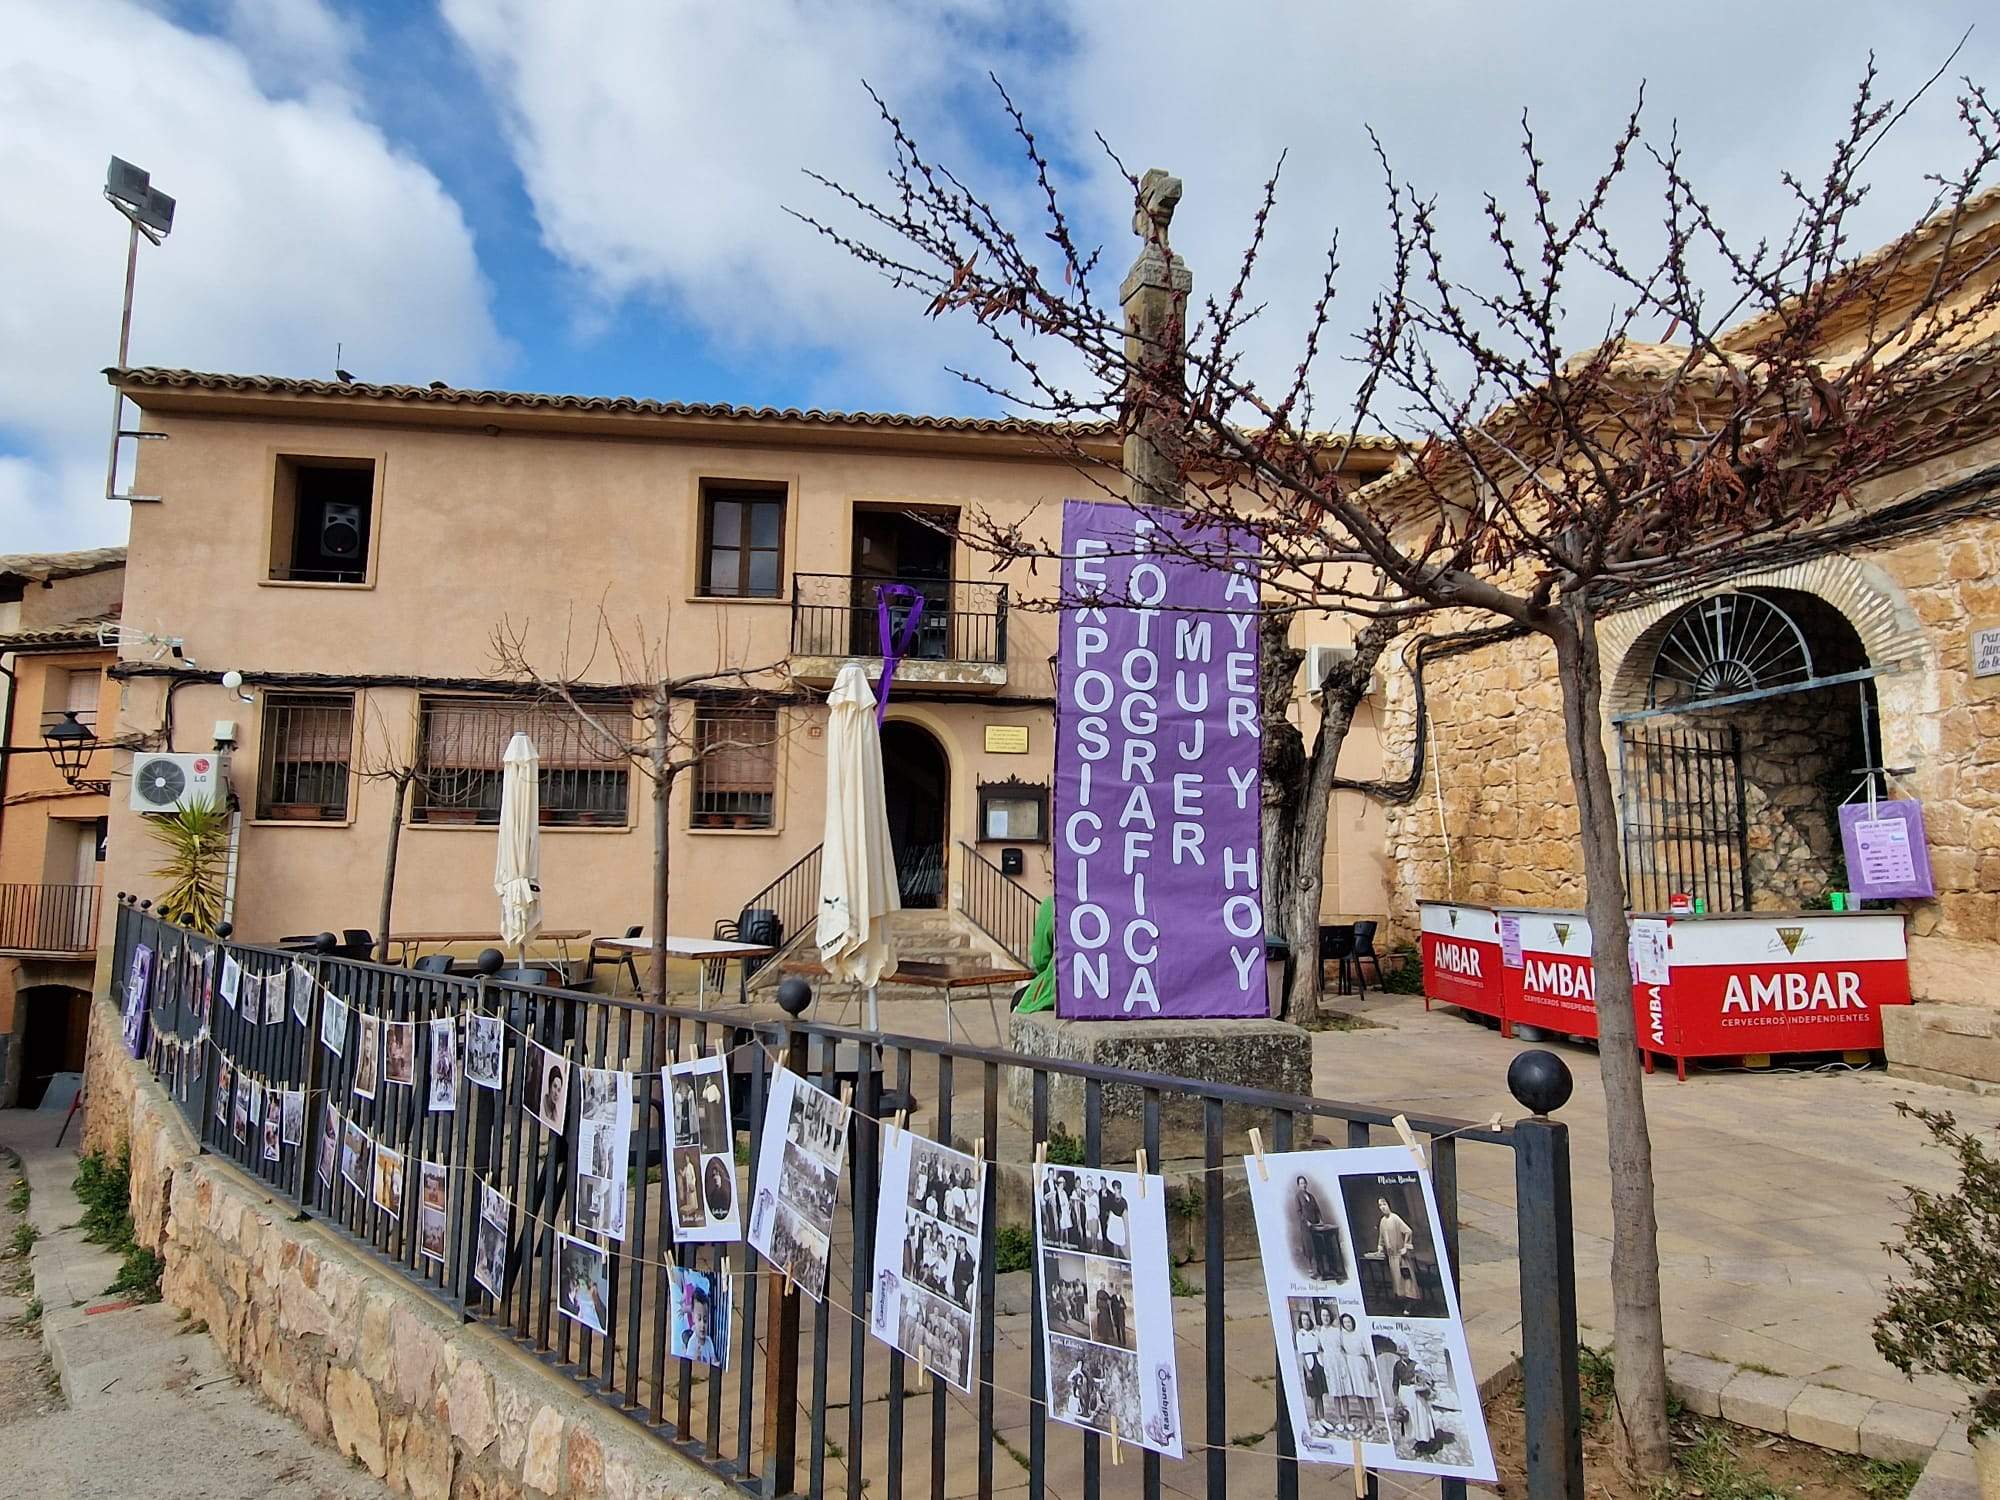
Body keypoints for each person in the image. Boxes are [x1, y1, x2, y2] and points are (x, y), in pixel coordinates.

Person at [1330, 1311, 1379, 1426]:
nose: (1348, 1324)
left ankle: (1373, 1421)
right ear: (1342, 1324)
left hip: (1361, 1363)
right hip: (1350, 1365)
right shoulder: (1342, 1337)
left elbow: (1367, 1354)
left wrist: (1371, 1370)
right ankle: (1366, 1420)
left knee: (1368, 1394)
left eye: (1349, 1321)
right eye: (1345, 1322)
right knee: (1359, 1394)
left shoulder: (1360, 1335)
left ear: (1353, 1322)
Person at [1376, 1196, 1420, 1305]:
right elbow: (1382, 1237)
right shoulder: (1382, 1221)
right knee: (1397, 1282)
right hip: (1392, 1257)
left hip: (1401, 1257)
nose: (1382, 1207)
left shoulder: (1395, 1218)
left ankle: (1410, 1303)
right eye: (1380, 1205)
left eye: (1384, 1204)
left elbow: (1408, 1231)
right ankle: (1402, 1303)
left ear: (1389, 1205)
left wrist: (1406, 1247)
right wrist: (1380, 1249)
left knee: (1407, 1281)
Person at [1296, 1175, 1339, 1281]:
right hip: (1306, 1227)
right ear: (1298, 1185)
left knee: (1318, 1248)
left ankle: (1323, 1271)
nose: (1304, 1185)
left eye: (1304, 1183)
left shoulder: (1311, 1196)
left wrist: (1320, 1220)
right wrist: (1307, 1222)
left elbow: (1317, 1210)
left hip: (1316, 1226)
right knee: (1310, 1249)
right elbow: (1299, 1212)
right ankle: (1313, 1271)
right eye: (1301, 1183)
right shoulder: (1298, 1196)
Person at [1294, 1308, 1329, 1434]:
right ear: (1301, 1322)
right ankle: (1315, 1421)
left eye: (1307, 1320)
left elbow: (1320, 1347)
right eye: (1303, 1320)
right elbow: (1301, 1354)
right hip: (1309, 1364)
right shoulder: (1300, 1334)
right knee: (1314, 1394)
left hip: (1318, 1362)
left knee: (1320, 1393)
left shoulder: (1315, 1333)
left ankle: (1322, 1418)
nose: (1306, 1322)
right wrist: (1307, 1371)